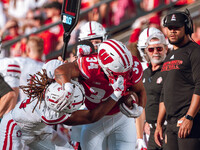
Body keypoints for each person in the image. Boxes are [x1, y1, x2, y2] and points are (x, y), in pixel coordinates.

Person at [55, 39, 146, 150]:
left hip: (121, 118)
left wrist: (140, 108)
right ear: (103, 66)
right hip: (94, 119)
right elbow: (61, 71)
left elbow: (140, 91)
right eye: (118, 73)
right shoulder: (89, 65)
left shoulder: (132, 65)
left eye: (125, 72)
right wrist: (67, 87)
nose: (122, 77)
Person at [154, 9, 200, 150]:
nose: (172, 31)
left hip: (189, 120)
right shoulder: (169, 56)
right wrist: (159, 124)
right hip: (171, 123)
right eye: (170, 28)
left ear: (186, 28)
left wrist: (190, 117)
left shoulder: (194, 51)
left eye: (177, 28)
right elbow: (164, 93)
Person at [142, 31, 168, 150]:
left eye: (159, 48)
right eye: (151, 49)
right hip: (151, 131)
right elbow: (141, 101)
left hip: (167, 128)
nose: (156, 52)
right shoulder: (144, 73)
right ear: (146, 50)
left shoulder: (169, 70)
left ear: (166, 49)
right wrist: (144, 122)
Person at [14, 36, 44, 101]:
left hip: (23, 106)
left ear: (28, 49)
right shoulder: (47, 67)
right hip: (41, 107)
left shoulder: (21, 62)